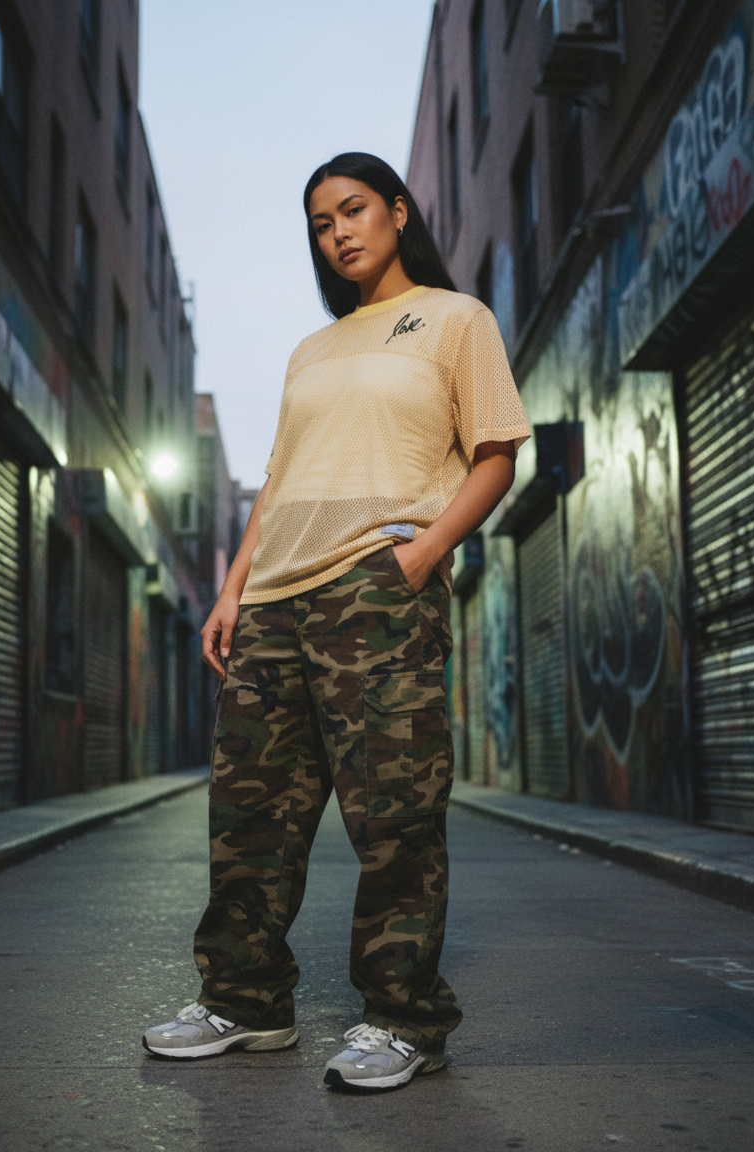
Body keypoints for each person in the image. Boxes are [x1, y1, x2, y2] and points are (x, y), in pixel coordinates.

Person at [143, 152, 530, 1091]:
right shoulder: (311, 352)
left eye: (353, 210)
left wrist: (423, 554)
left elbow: (495, 453)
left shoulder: (453, 319)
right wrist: (235, 587)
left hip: (374, 585)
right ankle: (245, 1003)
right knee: (248, 814)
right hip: (275, 596)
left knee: (392, 811)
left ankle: (404, 1019)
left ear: (397, 211)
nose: (339, 232)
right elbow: (279, 485)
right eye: (320, 223)